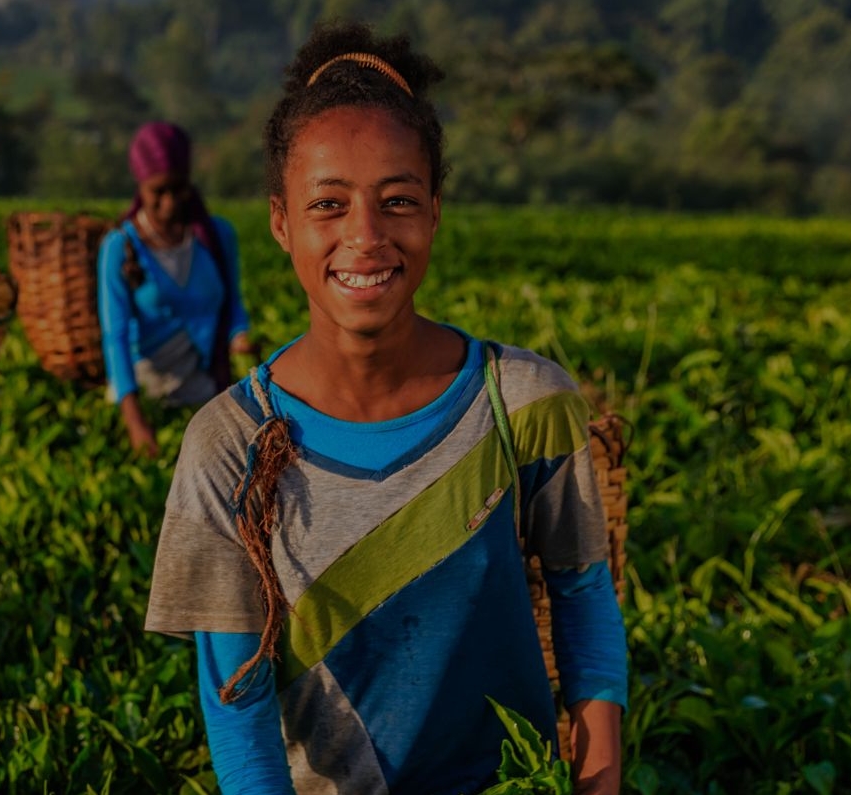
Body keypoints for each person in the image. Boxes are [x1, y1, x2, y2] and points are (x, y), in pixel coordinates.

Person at [143, 23, 627, 795]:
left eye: (397, 200)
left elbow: (581, 597)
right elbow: (238, 710)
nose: (364, 236)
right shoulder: (230, 444)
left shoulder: (525, 401)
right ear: (281, 222)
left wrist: (600, 778)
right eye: (327, 204)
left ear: (434, 210)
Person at [98, 122, 256, 457]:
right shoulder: (121, 248)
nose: (170, 203)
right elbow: (116, 336)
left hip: (206, 391)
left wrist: (240, 336)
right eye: (159, 192)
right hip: (149, 390)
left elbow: (234, 307)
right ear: (140, 187)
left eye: (178, 189)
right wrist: (135, 422)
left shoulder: (216, 237)